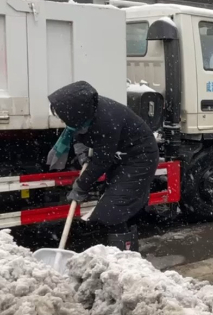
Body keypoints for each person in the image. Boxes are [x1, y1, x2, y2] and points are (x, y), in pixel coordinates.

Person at [46, 80, 159, 251]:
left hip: (140, 158)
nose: (62, 120)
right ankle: (123, 249)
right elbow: (77, 132)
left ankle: (123, 256)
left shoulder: (106, 120)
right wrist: (82, 153)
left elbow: (101, 161)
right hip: (121, 157)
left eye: (63, 116)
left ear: (76, 111)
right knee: (117, 204)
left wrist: (81, 186)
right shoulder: (87, 112)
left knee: (113, 208)